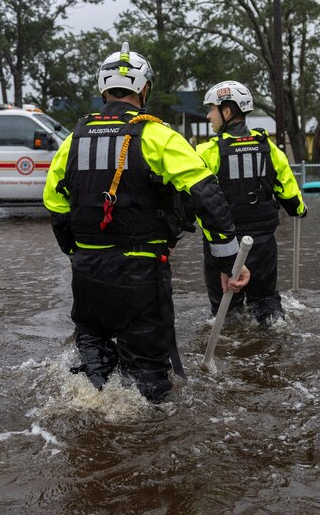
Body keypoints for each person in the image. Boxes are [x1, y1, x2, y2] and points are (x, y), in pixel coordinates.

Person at [43, 43, 250, 403]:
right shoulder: (159, 136)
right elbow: (206, 195)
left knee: (93, 367)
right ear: (143, 90)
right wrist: (227, 261)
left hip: (87, 273)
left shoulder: (72, 141)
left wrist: (76, 251)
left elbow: (54, 203)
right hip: (141, 274)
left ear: (103, 90)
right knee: (150, 379)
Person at [196, 81, 307, 323]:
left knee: (227, 313)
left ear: (227, 112)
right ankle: (274, 339)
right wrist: (300, 209)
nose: (208, 116)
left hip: (223, 246)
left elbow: (193, 199)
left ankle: (232, 350)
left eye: (211, 109)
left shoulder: (207, 153)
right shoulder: (271, 150)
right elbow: (292, 200)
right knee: (266, 303)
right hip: (263, 246)